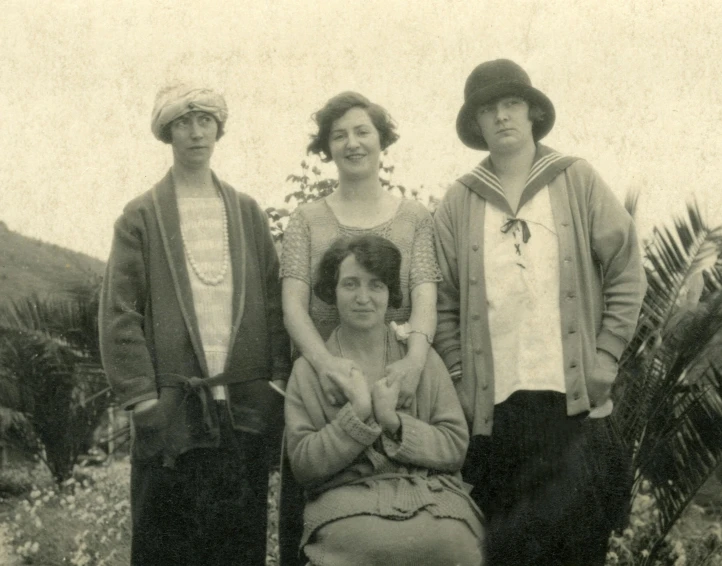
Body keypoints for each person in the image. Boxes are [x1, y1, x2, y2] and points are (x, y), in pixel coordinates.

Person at [434, 59, 647, 565]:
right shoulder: (459, 201)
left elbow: (626, 271)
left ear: (532, 112)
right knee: (506, 551)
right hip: (495, 414)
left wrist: (605, 357)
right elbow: (442, 301)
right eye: (488, 110)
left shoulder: (575, 180)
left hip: (571, 405)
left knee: (576, 547)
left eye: (511, 104)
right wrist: (461, 374)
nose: (502, 117)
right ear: (477, 124)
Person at [99, 84, 290, 566]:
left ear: (218, 128)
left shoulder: (246, 212)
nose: (195, 132)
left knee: (240, 546)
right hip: (171, 416)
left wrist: (276, 379)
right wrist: (143, 397)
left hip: (242, 411)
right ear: (167, 131)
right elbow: (119, 311)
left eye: (205, 120)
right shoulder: (141, 216)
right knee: (165, 547)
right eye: (183, 122)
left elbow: (273, 301)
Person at [284, 234, 484, 566]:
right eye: (350, 284)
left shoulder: (419, 362)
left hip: (432, 498)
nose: (363, 298)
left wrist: (395, 422)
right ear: (332, 293)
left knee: (456, 545)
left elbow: (455, 446)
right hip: (345, 502)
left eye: (376, 285)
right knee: (369, 546)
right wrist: (359, 415)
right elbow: (304, 466)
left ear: (390, 293)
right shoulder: (310, 371)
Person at [281, 91, 441, 407]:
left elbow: (425, 301)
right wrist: (326, 365)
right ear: (327, 147)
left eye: (362, 132)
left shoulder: (415, 218)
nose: (352, 143)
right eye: (339, 135)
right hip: (329, 384)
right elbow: (293, 308)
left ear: (382, 140)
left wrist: (415, 363)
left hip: (400, 381)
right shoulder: (305, 220)